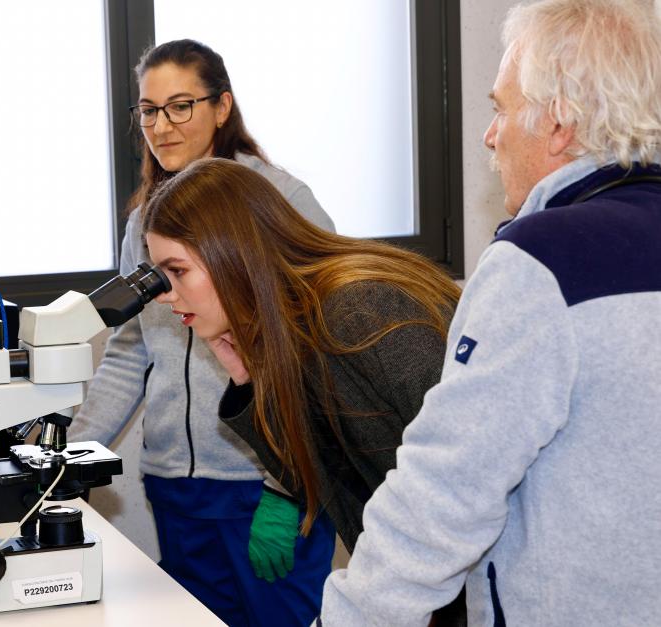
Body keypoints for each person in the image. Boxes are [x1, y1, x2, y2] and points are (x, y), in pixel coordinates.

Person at [317, 0, 661, 624]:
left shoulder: (541, 260)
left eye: (500, 108)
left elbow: (443, 493)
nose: (490, 134)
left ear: (558, 122)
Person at [69, 39, 337, 626]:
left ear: (222, 107)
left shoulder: (281, 202)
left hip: (262, 486)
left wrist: (287, 486)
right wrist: (72, 457)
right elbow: (128, 351)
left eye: (181, 105)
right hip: (178, 489)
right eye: (148, 110)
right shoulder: (147, 220)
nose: (161, 126)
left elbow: (316, 361)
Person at [140, 157, 463, 621]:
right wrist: (249, 383)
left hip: (477, 569)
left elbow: (463, 473)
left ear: (232, 251)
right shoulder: (291, 325)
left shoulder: (363, 308)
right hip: (426, 571)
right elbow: (321, 474)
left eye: (178, 271)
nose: (166, 294)